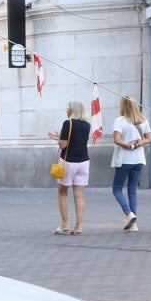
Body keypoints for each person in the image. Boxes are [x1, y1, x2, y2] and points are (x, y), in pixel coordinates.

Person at [47, 100, 92, 235]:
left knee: (62, 193)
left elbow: (63, 145)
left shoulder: (68, 123)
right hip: (84, 162)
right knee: (79, 196)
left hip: (69, 162)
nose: (67, 111)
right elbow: (76, 141)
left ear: (73, 110)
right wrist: (60, 137)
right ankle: (78, 227)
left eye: (68, 109)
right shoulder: (87, 125)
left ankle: (65, 224)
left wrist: (57, 139)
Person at [111, 96, 151, 233]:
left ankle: (129, 214)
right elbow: (150, 139)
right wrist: (138, 143)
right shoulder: (143, 120)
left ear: (123, 106)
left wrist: (128, 145)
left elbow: (117, 140)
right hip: (139, 160)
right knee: (132, 190)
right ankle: (133, 224)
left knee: (116, 189)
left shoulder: (120, 121)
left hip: (124, 159)